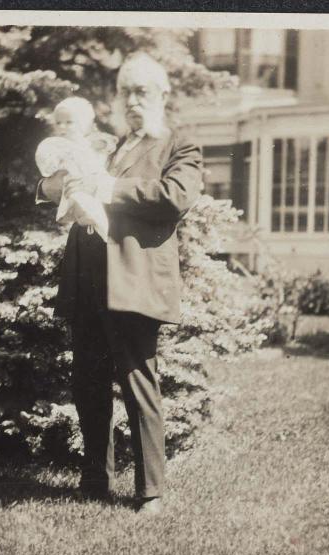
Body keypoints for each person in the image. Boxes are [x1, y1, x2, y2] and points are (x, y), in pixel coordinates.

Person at [38, 53, 203, 515]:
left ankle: (149, 492)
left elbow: (174, 198)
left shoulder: (179, 147)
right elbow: (65, 177)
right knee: (88, 384)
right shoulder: (107, 146)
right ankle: (94, 482)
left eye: (143, 91)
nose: (133, 101)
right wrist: (55, 185)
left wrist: (107, 188)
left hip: (135, 281)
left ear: (163, 96)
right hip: (88, 277)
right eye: (125, 92)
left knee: (138, 383)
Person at [35, 97, 117, 239]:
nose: (62, 127)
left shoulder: (92, 140)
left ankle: (102, 227)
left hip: (97, 185)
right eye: (58, 123)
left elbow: (108, 146)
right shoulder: (58, 143)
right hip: (71, 184)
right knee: (78, 198)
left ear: (83, 124)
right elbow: (46, 162)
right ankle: (89, 218)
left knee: (96, 209)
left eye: (69, 122)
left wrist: (98, 145)